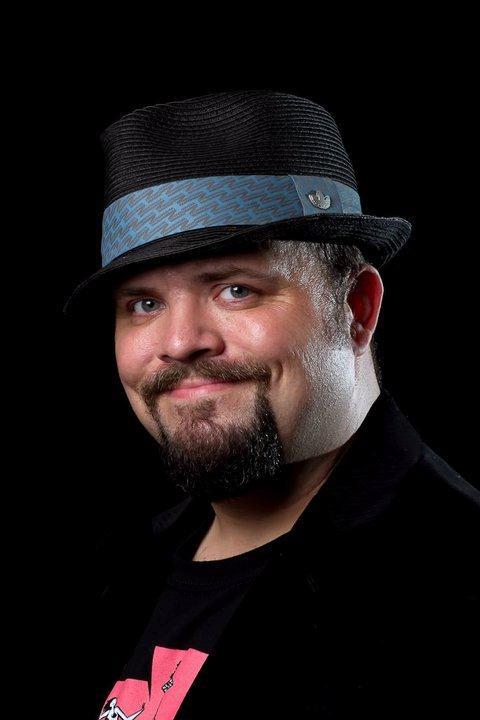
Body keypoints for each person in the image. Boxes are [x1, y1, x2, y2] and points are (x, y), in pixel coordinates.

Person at [64, 91, 479, 719]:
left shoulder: (453, 583)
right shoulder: (115, 569)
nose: (180, 342)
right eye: (144, 304)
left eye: (236, 290)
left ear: (357, 308)